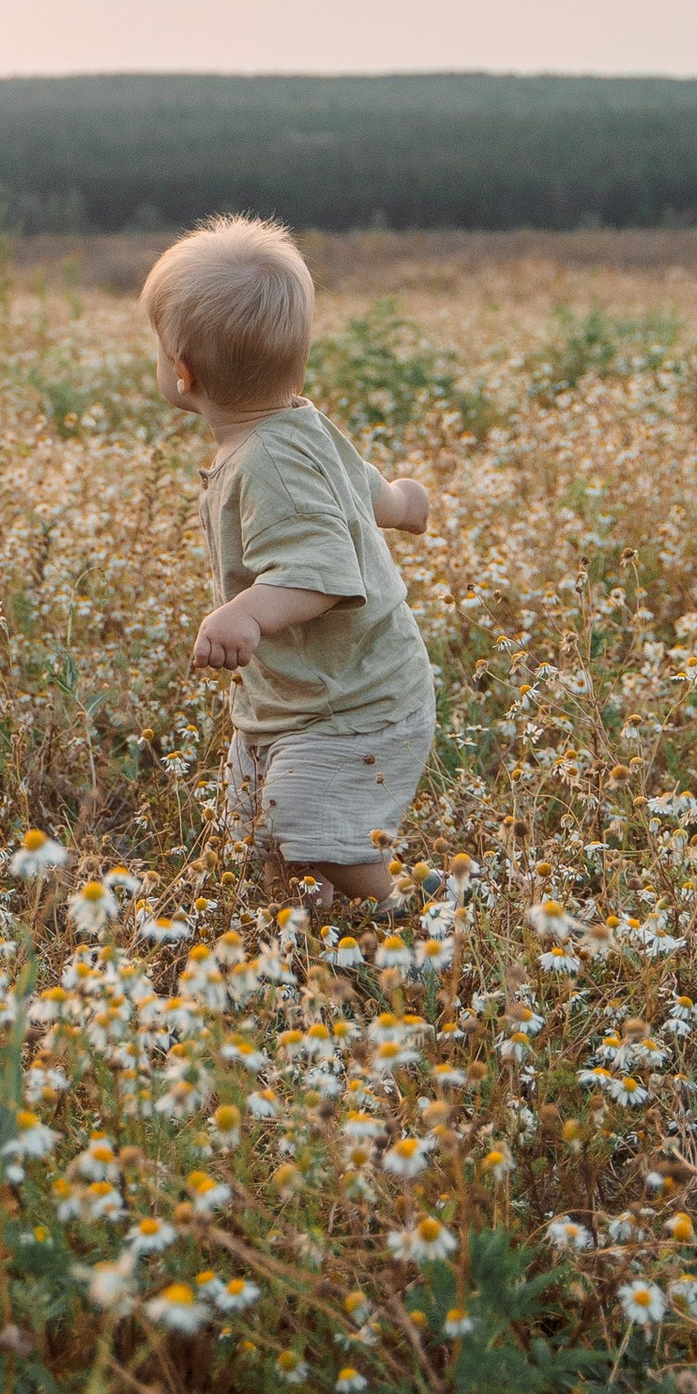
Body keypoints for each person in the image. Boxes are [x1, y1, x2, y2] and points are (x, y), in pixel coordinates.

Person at [143, 212, 436, 912]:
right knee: (264, 834)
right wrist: (401, 501)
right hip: (300, 698)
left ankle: (397, 912)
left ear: (182, 373)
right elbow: (358, 489)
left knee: (318, 837)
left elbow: (320, 572)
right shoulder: (298, 424)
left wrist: (245, 611)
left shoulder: (268, 459)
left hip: (351, 706)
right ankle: (308, 932)